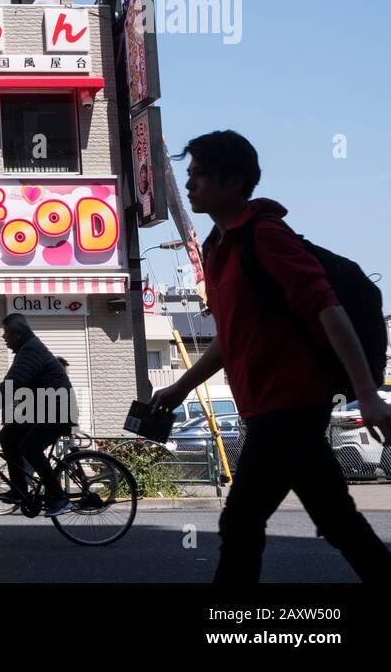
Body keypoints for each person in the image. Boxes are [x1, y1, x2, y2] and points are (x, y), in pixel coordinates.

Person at [151, 130, 391, 583]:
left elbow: (327, 309)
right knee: (337, 520)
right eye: (190, 175)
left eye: (198, 175)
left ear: (234, 182)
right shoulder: (217, 248)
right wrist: (180, 387)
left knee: (240, 521)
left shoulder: (264, 235)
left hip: (290, 406)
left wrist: (367, 394)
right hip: (267, 408)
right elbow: (231, 338)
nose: (188, 185)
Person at [0, 313, 76, 517]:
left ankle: (59, 497)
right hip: (44, 410)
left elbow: (12, 385)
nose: (4, 337)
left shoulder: (31, 351)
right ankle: (18, 489)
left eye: (6, 333)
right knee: (7, 435)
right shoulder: (27, 349)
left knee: (29, 447)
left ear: (17, 333)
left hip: (58, 411)